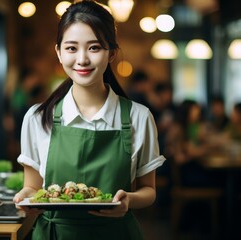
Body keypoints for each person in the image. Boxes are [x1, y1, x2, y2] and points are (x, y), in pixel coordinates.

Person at [13, 1, 166, 239]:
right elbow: (32, 186)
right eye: (72, 48)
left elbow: (149, 190)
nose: (82, 59)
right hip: (55, 234)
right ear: (59, 52)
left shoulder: (139, 117)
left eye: (94, 48)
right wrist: (25, 197)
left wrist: (129, 201)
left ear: (111, 53)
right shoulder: (37, 118)